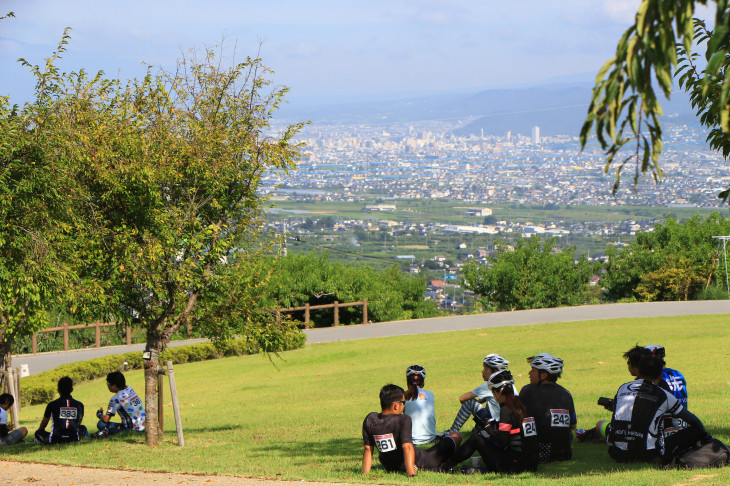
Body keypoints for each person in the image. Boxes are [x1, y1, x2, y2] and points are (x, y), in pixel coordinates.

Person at [607, 355, 709, 464]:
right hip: (648, 455)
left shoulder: (623, 388)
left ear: (639, 371)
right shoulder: (663, 395)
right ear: (660, 374)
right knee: (695, 430)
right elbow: (692, 420)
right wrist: (705, 436)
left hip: (616, 454)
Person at [440, 370, 539, 474]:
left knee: (476, 438)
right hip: (531, 464)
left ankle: (446, 466)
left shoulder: (506, 409)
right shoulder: (521, 404)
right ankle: (482, 470)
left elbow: (502, 442)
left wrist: (489, 428)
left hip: (513, 465)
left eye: (493, 392)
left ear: (497, 392)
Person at [362, 384, 462, 476]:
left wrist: (365, 474)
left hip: (388, 465)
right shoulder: (402, 419)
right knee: (456, 436)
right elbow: (407, 447)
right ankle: (446, 465)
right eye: (403, 402)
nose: (404, 405)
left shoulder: (370, 419)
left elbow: (368, 449)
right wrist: (411, 474)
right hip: (419, 462)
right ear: (396, 405)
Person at [519, 352, 576, 462]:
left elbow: (521, 422)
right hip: (564, 453)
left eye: (533, 370)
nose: (529, 373)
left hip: (540, 454)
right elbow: (573, 425)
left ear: (544, 375)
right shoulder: (566, 393)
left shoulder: (528, 391)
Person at [444, 354, 510, 433]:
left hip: (496, 426)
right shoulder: (509, 383)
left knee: (469, 403)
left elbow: (462, 399)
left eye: (486, 369)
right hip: (506, 426)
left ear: (495, 372)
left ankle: (451, 432)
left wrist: (475, 408)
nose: (482, 371)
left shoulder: (489, 385)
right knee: (489, 404)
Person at [35, 376, 87, 444]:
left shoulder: (52, 405)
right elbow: (78, 422)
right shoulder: (79, 405)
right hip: (74, 438)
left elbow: (44, 423)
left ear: (58, 390)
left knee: (38, 433)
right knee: (83, 428)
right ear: (72, 390)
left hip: (55, 440)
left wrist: (40, 430)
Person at [94, 371, 145, 438]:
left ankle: (105, 432)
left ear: (114, 385)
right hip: (144, 425)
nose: (107, 385)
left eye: (108, 383)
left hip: (132, 428)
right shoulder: (130, 388)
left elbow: (106, 419)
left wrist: (100, 415)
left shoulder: (116, 398)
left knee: (101, 424)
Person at [403, 365, 436, 445]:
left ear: (407, 380)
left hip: (411, 441)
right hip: (430, 438)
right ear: (423, 382)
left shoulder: (403, 396)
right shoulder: (430, 394)